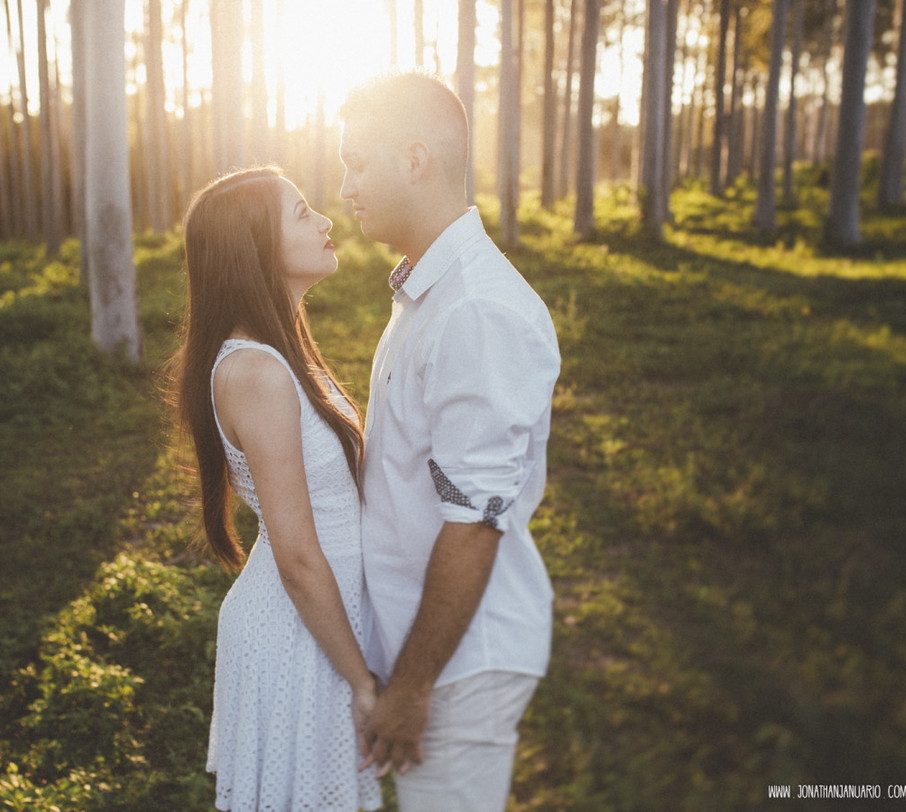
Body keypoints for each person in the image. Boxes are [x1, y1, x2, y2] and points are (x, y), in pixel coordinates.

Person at [339, 72, 561, 810]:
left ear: (414, 159)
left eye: (358, 162)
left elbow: (475, 520)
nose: (345, 187)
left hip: (459, 666)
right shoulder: (426, 293)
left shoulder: (475, 310)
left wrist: (412, 685)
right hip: (428, 653)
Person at [172, 166, 382, 811]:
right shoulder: (256, 371)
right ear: (254, 248)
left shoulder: (282, 350)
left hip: (321, 626)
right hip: (300, 637)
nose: (325, 221)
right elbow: (295, 555)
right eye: (300, 214)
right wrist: (363, 683)